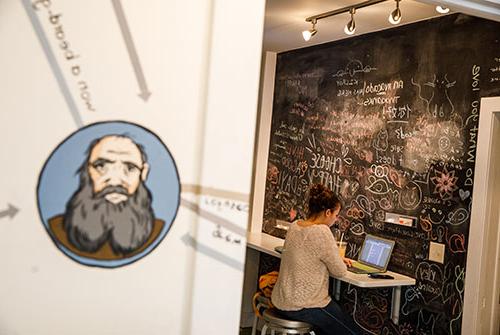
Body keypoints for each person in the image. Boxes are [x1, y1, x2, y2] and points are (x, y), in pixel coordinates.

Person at [48, 134, 165, 260]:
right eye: (101, 166)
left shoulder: (158, 232)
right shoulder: (55, 228)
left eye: (130, 168)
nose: (115, 181)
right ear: (87, 171)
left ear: (143, 173)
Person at [271, 183, 362, 335]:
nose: (336, 219)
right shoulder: (322, 231)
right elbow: (339, 271)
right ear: (327, 212)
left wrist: (335, 257)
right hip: (305, 306)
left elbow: (309, 254)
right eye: (336, 215)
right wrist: (339, 261)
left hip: (281, 301)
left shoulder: (295, 226)